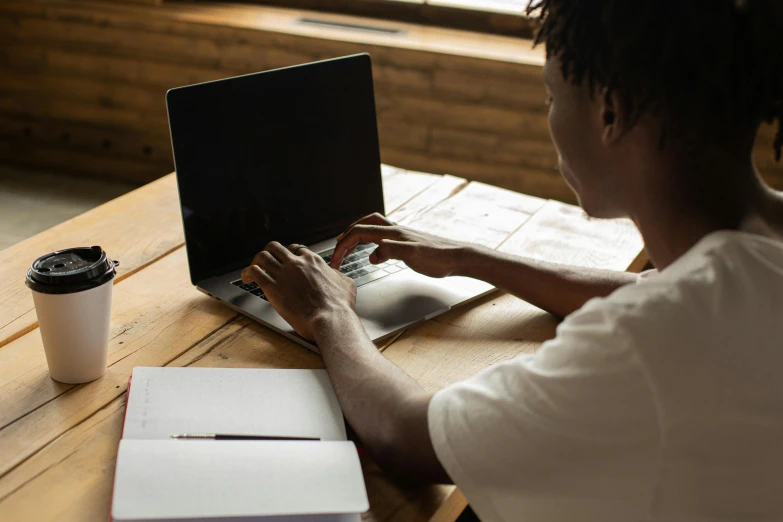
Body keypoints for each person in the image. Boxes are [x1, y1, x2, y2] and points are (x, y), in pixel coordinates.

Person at [241, 1, 783, 520]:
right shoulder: (754, 254)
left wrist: (329, 313)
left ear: (610, 111)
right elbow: (649, 292)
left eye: (551, 96)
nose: (549, 115)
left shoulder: (643, 345)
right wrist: (471, 257)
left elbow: (405, 437)